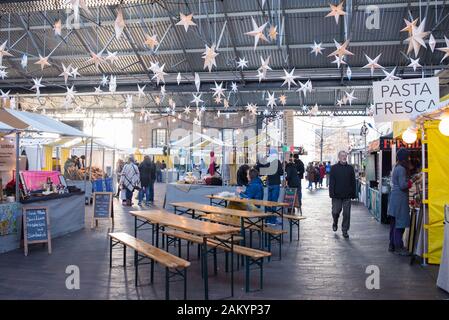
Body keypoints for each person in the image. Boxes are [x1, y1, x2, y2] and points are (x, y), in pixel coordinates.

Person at [387, 148, 412, 255]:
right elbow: (402, 185)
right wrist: (411, 182)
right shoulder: (401, 169)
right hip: (400, 200)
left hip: (394, 199)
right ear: (405, 158)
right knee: (399, 224)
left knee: (394, 224)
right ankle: (399, 247)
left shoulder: (396, 167)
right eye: (408, 157)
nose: (409, 159)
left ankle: (392, 245)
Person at [329, 150, 356, 238]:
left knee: (347, 214)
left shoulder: (350, 168)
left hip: (347, 196)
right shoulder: (334, 168)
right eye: (342, 156)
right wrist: (331, 193)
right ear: (339, 157)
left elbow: (353, 182)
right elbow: (331, 182)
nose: (344, 157)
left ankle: (345, 230)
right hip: (336, 195)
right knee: (335, 212)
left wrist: (353, 193)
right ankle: (335, 221)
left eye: (345, 156)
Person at [256, 150, 283, 224]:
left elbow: (260, 168)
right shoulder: (277, 162)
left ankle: (268, 219)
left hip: (269, 183)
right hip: (276, 184)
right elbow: (281, 173)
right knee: (274, 202)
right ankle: (273, 220)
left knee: (269, 201)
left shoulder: (268, 162)